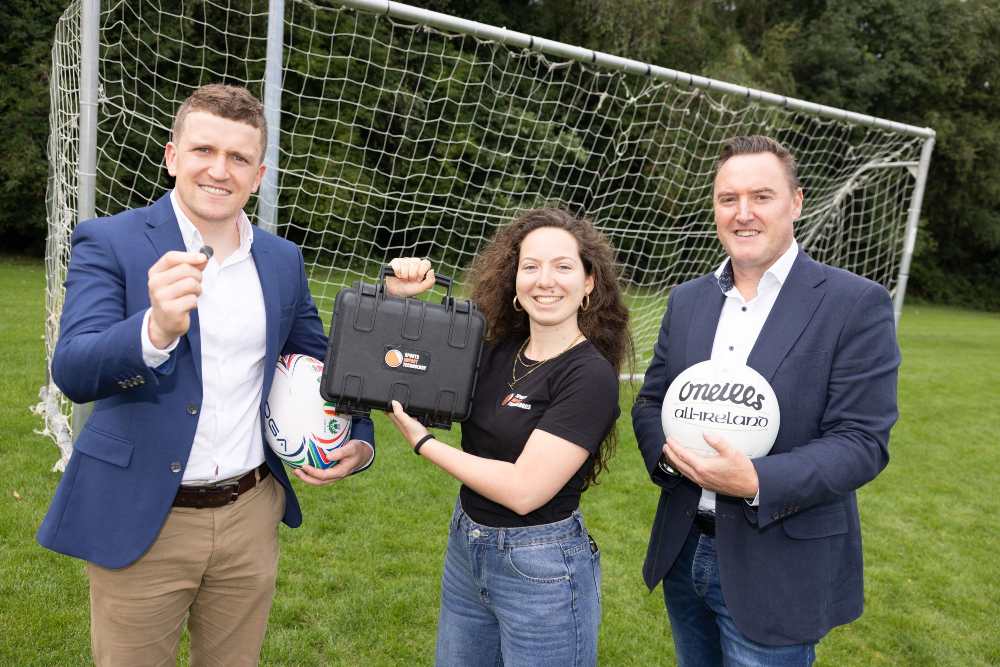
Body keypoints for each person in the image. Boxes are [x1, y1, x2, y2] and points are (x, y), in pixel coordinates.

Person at [36, 84, 427, 666]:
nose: (219, 170)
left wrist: (361, 440)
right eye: (203, 151)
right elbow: (73, 369)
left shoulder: (281, 259)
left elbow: (324, 364)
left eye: (239, 158)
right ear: (172, 155)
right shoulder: (110, 241)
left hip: (250, 512)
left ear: (260, 172)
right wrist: (155, 331)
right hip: (144, 516)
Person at [632, 135, 901, 666]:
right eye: (728, 199)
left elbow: (862, 441)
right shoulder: (688, 300)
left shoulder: (854, 303)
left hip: (779, 563)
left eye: (762, 196)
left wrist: (757, 482)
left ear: (796, 202)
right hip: (685, 549)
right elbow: (650, 403)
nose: (743, 213)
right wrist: (668, 456)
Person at [384, 208, 633, 666]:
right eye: (531, 266)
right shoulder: (496, 350)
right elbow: (400, 364)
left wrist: (426, 445)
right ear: (514, 280)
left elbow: (524, 491)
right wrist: (399, 299)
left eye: (563, 266)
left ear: (589, 283)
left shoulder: (589, 376)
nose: (545, 280)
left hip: (541, 569)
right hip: (467, 546)